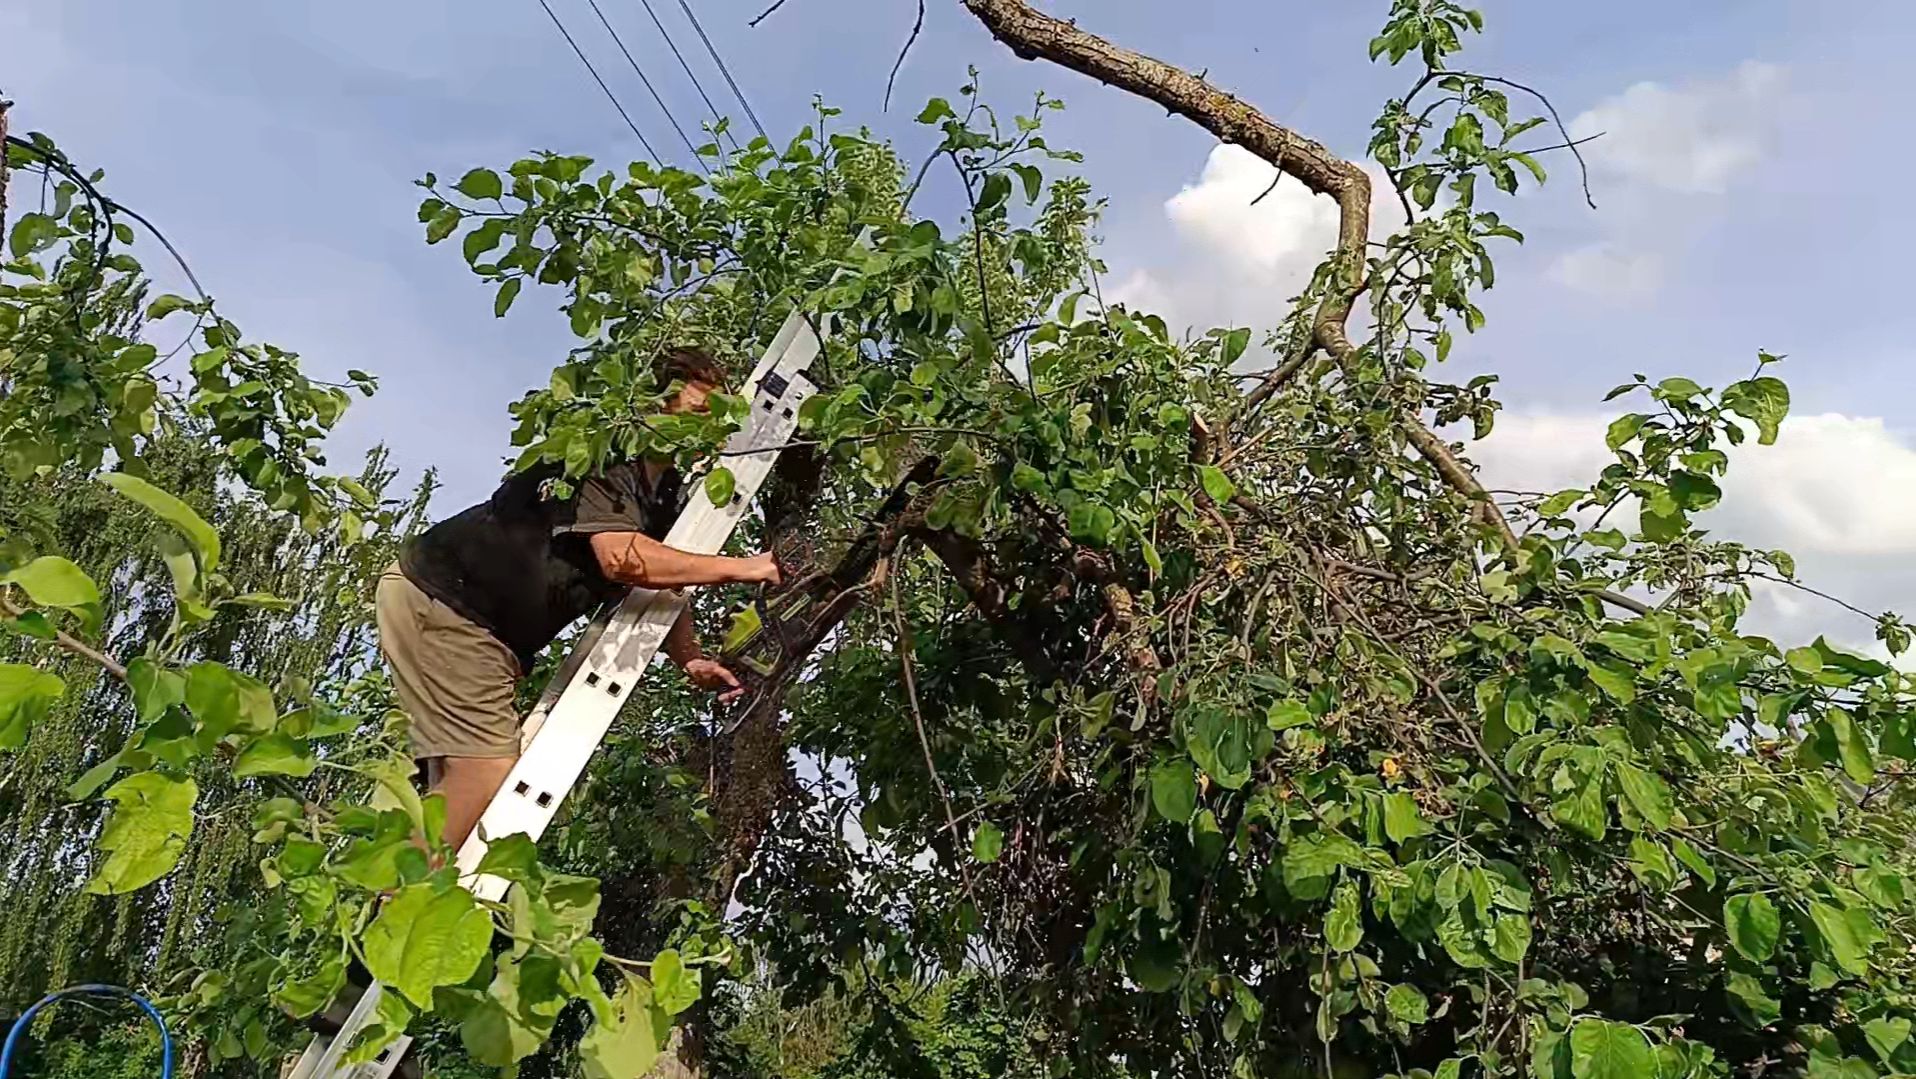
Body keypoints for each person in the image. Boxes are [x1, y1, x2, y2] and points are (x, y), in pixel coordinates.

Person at [374, 345, 780, 852]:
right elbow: (623, 560)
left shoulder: (663, 492)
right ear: (652, 405)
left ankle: (393, 873)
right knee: (484, 772)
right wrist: (745, 567)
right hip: (450, 604)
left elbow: (660, 573)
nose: (706, 427)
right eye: (697, 411)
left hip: (478, 624)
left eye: (715, 415)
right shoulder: (609, 451)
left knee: (454, 782)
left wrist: (689, 657)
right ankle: (406, 894)